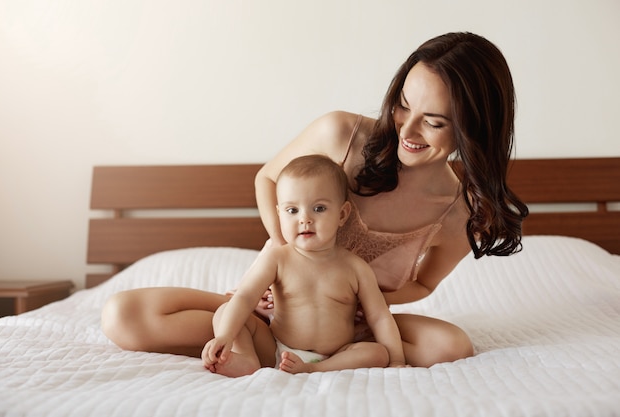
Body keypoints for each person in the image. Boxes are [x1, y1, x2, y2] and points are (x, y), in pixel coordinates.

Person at [101, 31, 528, 367]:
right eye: (402, 106)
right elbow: (267, 179)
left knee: (451, 346)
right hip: (274, 310)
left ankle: (320, 360)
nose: (407, 131)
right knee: (122, 315)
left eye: (432, 122)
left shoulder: (458, 212)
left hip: (354, 329)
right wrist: (284, 262)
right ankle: (251, 339)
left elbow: (425, 283)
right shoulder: (342, 136)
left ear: (474, 129)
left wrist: (369, 306)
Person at [202, 154, 406, 376]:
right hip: (276, 349)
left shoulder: (355, 268)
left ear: (342, 214)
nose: (305, 219)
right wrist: (225, 336)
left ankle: (313, 368)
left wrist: (396, 360)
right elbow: (245, 297)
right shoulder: (277, 259)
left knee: (378, 354)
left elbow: (379, 316)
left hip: (336, 355)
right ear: (279, 214)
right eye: (292, 210)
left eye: (319, 208)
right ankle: (248, 360)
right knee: (224, 312)